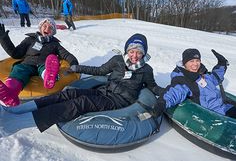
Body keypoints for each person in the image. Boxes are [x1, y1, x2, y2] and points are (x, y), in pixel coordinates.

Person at [0, 33, 163, 133]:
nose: (135, 55)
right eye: (132, 51)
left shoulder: (146, 70)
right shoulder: (117, 60)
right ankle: (18, 110)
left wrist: (166, 91)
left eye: (139, 52)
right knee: (69, 93)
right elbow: (100, 70)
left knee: (80, 103)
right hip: (104, 91)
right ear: (127, 50)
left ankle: (14, 124)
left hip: (120, 101)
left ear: (144, 54)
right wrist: (76, 67)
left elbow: (152, 87)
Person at [0, 18, 79, 107]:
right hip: (28, 63)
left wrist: (74, 65)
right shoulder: (30, 40)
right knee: (19, 69)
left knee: (46, 67)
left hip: (44, 63)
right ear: (40, 27)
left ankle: (49, 76)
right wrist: (3, 38)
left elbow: (67, 55)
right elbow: (15, 54)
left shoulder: (55, 44)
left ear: (53, 32)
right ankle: (11, 93)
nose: (47, 29)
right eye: (45, 26)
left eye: (51, 28)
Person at [154, 48, 236, 118]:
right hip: (215, 114)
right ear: (184, 63)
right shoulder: (183, 80)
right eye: (191, 61)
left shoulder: (202, 74)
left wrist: (222, 64)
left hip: (225, 106)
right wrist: (162, 104)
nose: (195, 64)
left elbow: (215, 78)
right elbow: (175, 93)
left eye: (197, 60)